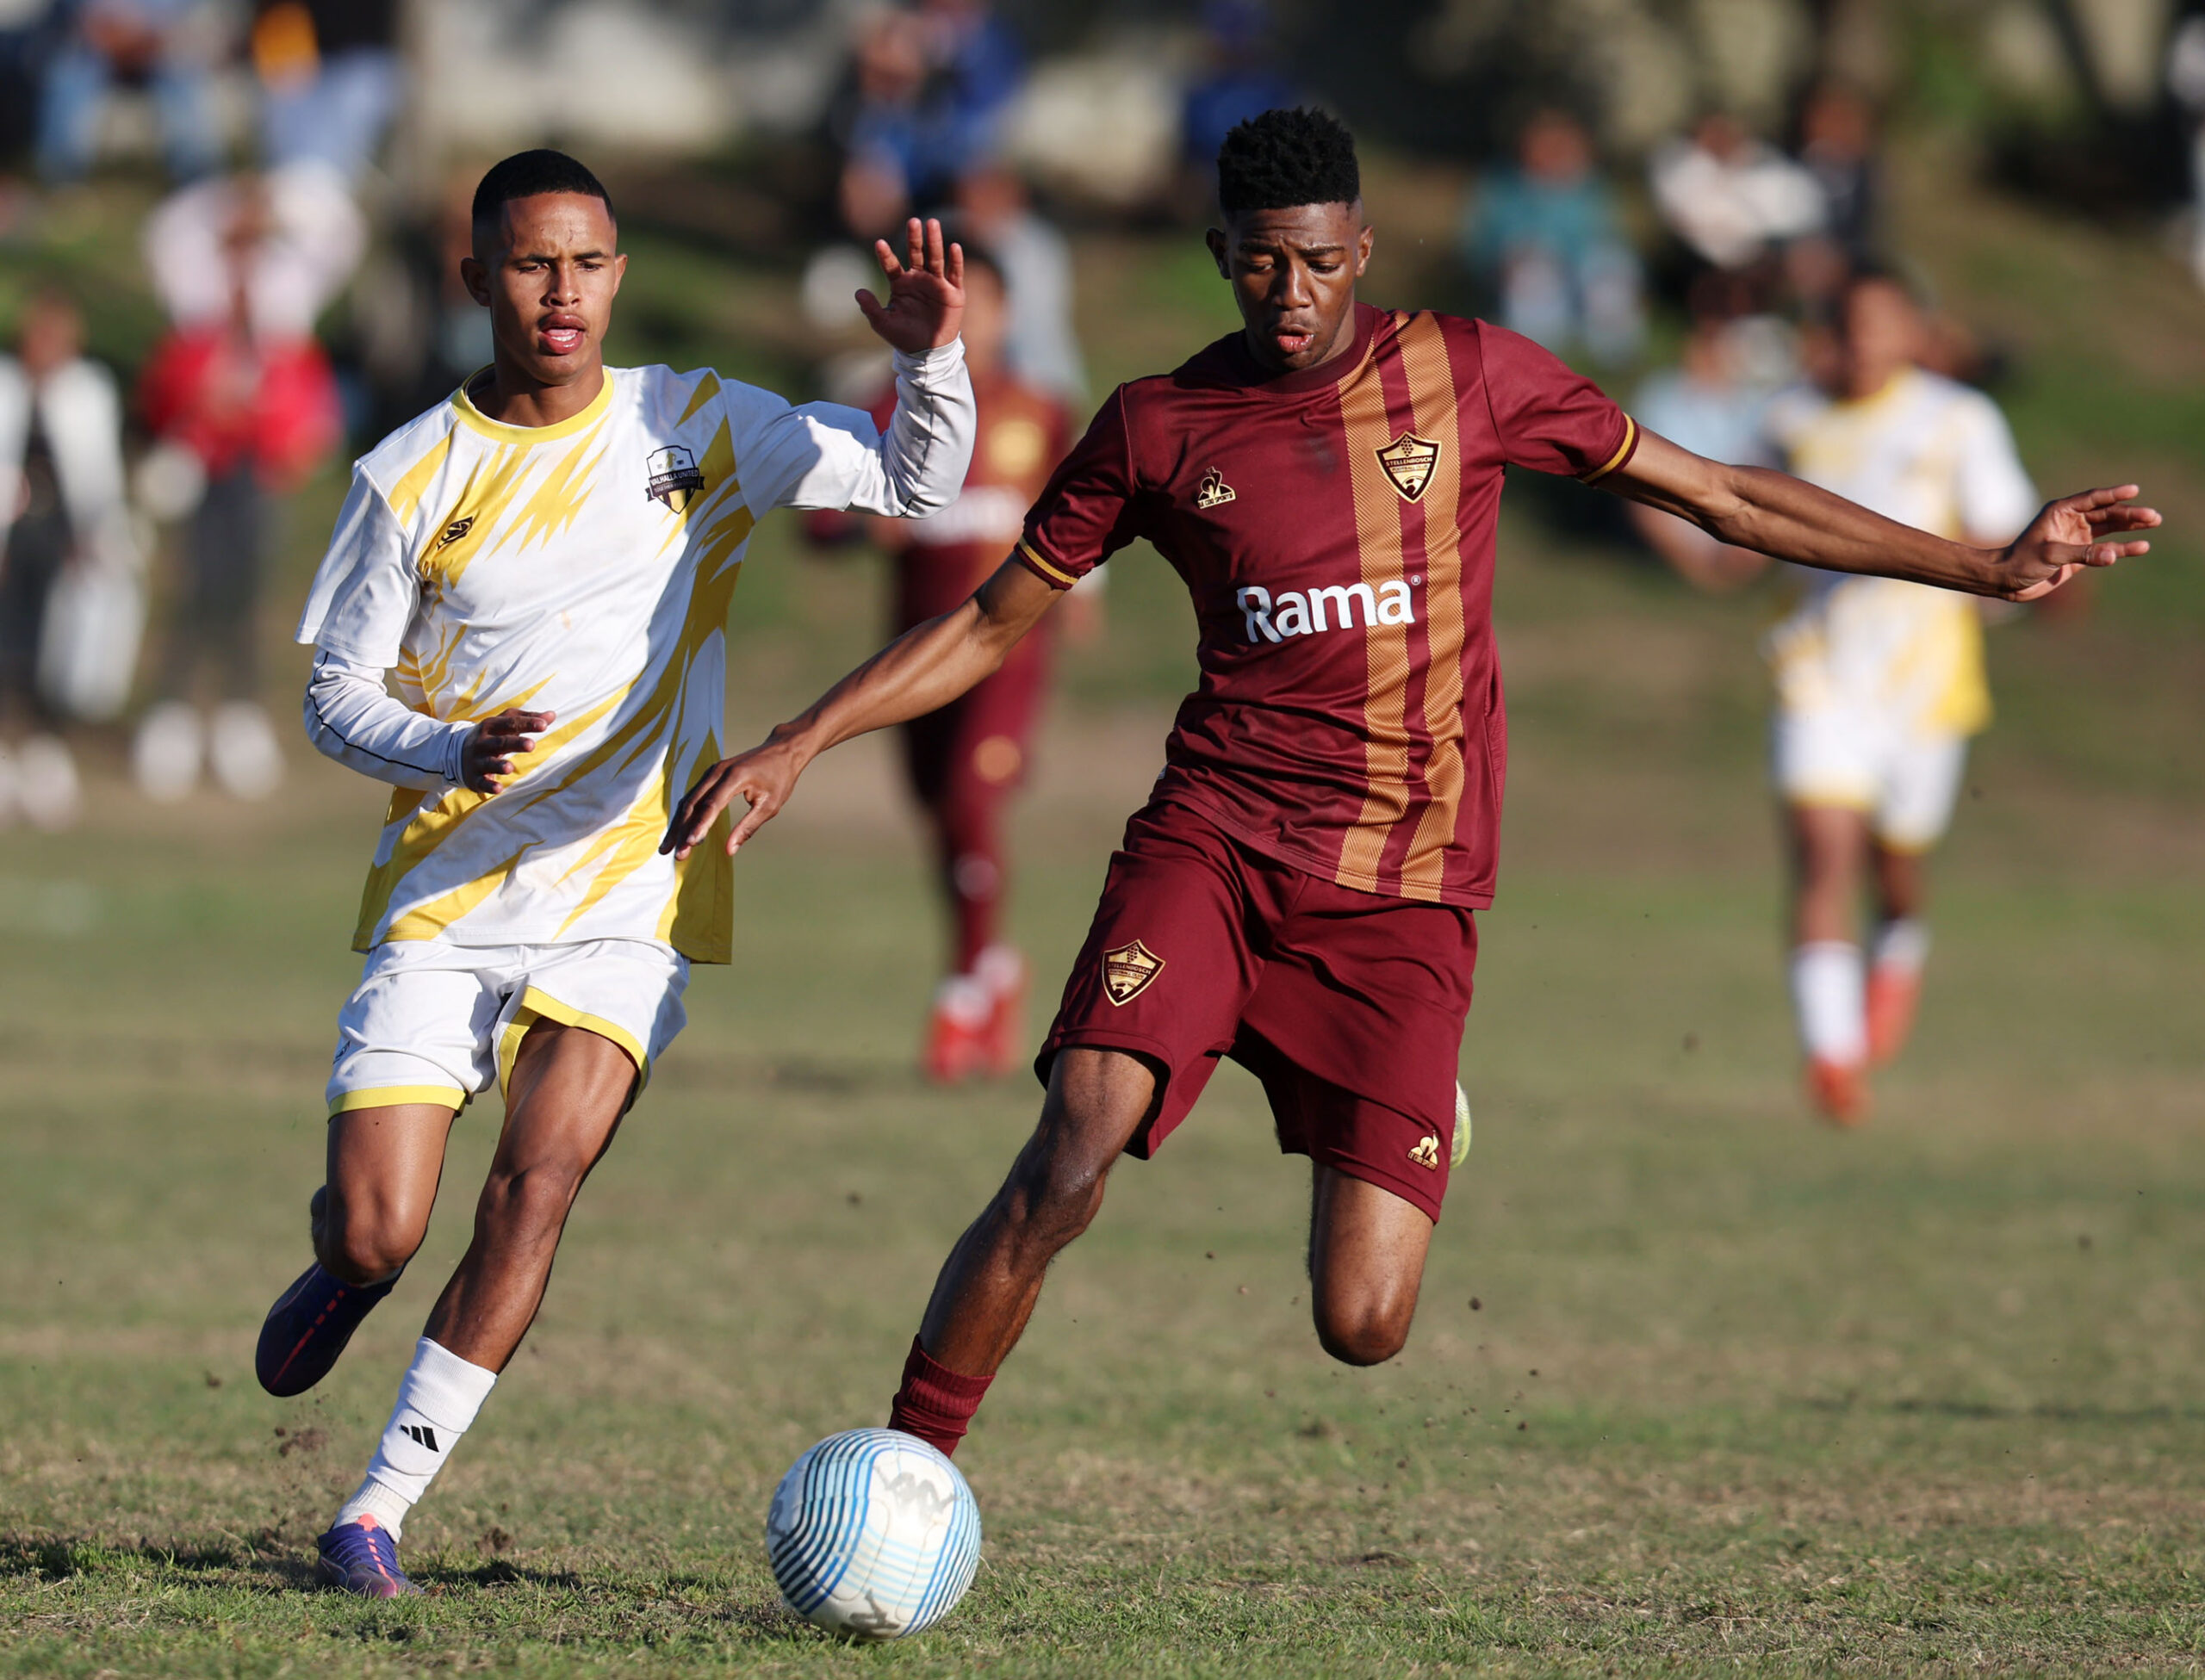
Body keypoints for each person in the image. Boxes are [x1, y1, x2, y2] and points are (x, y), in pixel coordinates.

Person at [661, 108, 2150, 1458]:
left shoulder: (1472, 373)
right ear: (1220, 260)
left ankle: (1403, 1095)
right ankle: (903, 1467)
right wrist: (800, 739)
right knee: (1068, 1153)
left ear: (1358, 248)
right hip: (1216, 846)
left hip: (1403, 888)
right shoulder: (1157, 429)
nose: (1290, 295)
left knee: (1362, 1324)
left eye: (1314, 262)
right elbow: (989, 621)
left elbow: (1724, 495)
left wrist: (1984, 565)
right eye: (1257, 267)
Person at [251, 150, 974, 1597]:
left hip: (633, 896)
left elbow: (915, 482)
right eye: (531, 264)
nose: (562, 292)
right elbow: (334, 692)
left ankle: (374, 1511)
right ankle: (349, 1266)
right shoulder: (411, 472)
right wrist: (442, 748)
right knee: (387, 1221)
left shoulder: (697, 420)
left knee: (537, 1186)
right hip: (451, 896)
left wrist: (932, 363)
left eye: (588, 263)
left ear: (620, 275)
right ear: (477, 282)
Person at [1636, 270, 2040, 1125]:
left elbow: (2008, 537)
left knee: (1896, 871)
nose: (1862, 344)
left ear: (1913, 334)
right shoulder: (1789, 420)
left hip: (1924, 687)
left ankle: (1900, 945)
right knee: (1823, 858)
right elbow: (1735, 550)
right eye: (1848, 326)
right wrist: (1659, 525)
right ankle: (1832, 1057)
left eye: (1880, 326)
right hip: (1815, 675)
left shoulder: (1957, 420)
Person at [856, 244, 1073, 1082]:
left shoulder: (1040, 409)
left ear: (1009, 313)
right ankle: (991, 967)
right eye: (957, 300)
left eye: (982, 300)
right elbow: (821, 516)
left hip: (1010, 644)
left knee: (971, 797)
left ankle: (965, 987)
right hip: (916, 643)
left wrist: (1080, 595)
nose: (971, 316)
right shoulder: (884, 404)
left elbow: (1081, 512)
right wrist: (855, 518)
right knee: (938, 810)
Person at [134, 171, 352, 803]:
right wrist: (226, 200)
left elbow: (340, 232)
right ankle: (171, 712)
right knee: (195, 583)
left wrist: (277, 201)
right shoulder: (194, 281)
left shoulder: (289, 282)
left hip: (260, 460)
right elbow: (167, 231)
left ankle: (238, 710)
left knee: (246, 586)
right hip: (199, 456)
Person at [0, 291, 130, 829]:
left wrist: (96, 535)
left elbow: (96, 473)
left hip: (60, 535)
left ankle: (47, 747)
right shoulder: (7, 387)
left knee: (62, 643)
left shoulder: (88, 394)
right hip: (13, 536)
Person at [1458, 108, 1643, 369]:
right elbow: (1478, 245)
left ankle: (1613, 351)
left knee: (1608, 267)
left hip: (1581, 274)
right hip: (1528, 277)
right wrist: (1497, 264)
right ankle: (1536, 351)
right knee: (1532, 270)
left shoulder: (1589, 188)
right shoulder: (1500, 187)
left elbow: (1609, 238)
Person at [36, 0, 222, 185]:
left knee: (183, 74)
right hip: (97, 46)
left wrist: (147, 35)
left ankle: (197, 177)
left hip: (157, 47)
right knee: (69, 76)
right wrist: (105, 33)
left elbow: (180, 16)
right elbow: (79, 14)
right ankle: (61, 177)